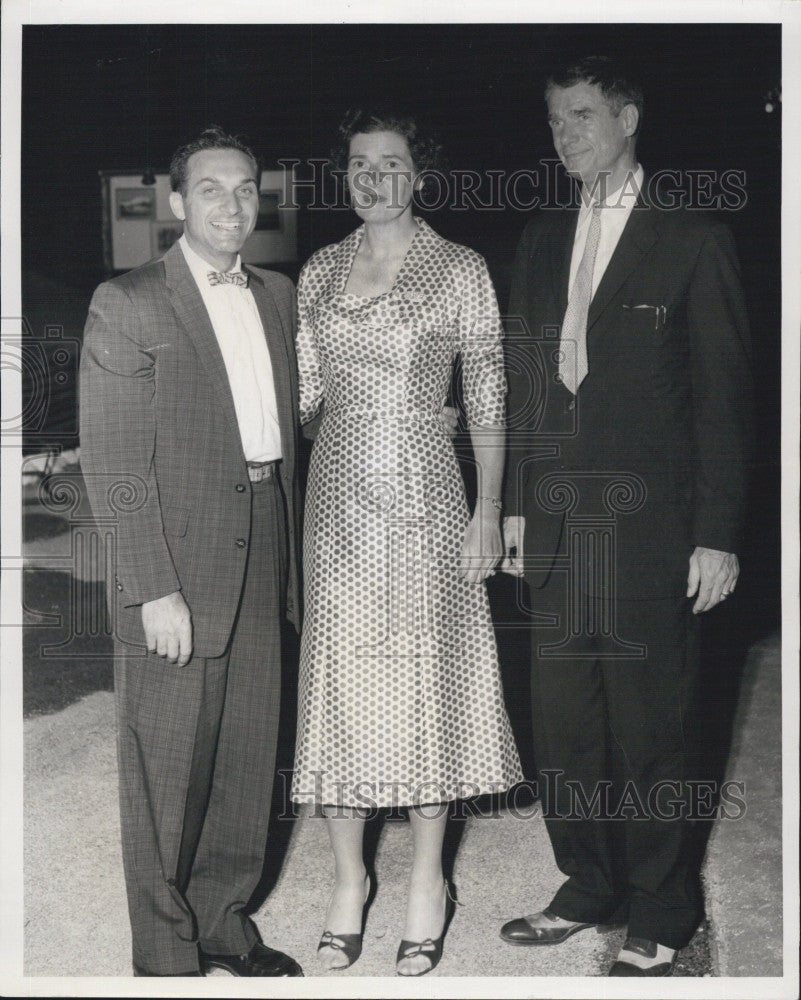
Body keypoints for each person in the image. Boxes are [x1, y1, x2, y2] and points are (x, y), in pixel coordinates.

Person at [499, 56, 753, 976]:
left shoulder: (689, 235)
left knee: (655, 723)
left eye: (581, 115)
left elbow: (724, 398)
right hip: (562, 529)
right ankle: (585, 881)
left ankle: (662, 902)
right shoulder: (536, 238)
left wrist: (717, 531)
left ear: (628, 116)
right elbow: (531, 384)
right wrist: (521, 511)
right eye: (555, 120)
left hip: (654, 529)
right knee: (564, 720)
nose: (566, 134)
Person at [290, 109, 523, 977]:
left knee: (427, 675)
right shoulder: (316, 271)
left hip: (430, 489)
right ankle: (349, 879)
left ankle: (428, 881)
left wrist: (488, 508)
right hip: (340, 499)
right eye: (358, 163)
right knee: (339, 679)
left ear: (420, 175)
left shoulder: (459, 268)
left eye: (391, 163)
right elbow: (307, 400)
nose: (372, 178)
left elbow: (491, 394)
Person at [79, 126, 304, 978]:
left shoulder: (277, 295)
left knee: (248, 755)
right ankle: (166, 952)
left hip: (266, 536)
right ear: (177, 203)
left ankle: (223, 922)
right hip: (178, 558)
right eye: (211, 189)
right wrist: (152, 589)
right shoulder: (130, 301)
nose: (232, 204)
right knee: (167, 767)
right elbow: (115, 464)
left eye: (246, 188)